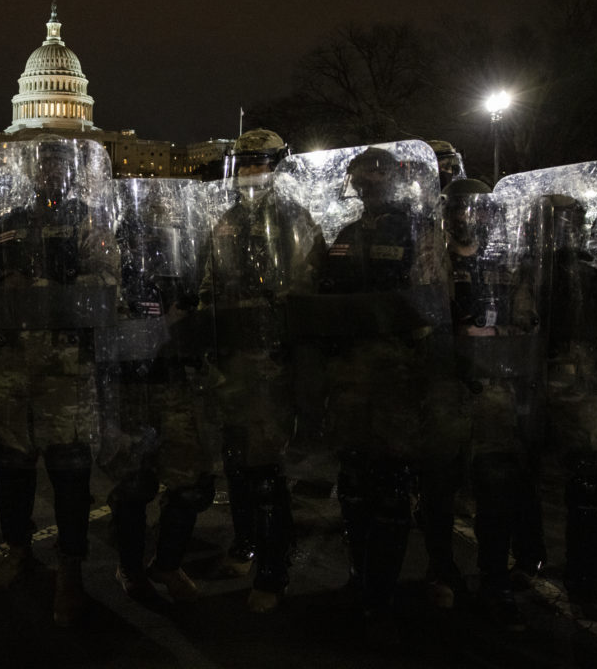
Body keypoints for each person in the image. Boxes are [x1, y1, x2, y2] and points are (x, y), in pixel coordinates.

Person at [0, 137, 118, 626]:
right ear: (32, 173)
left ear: (69, 173)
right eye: (43, 165)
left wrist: (48, 290)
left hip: (62, 365)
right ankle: (17, 550)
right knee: (11, 465)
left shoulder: (86, 219)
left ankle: (69, 569)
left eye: (58, 165)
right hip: (11, 365)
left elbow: (105, 282)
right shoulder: (8, 224)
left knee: (70, 469)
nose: (49, 173)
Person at [308, 144, 450, 633]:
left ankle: (381, 590)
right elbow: (325, 296)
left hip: (396, 375)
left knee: (390, 481)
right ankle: (359, 574)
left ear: (392, 179)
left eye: (375, 177)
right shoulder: (346, 234)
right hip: (351, 373)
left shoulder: (417, 230)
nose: (367, 186)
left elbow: (430, 303)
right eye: (360, 178)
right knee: (354, 478)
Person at [198, 129, 324, 612]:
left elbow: (302, 289)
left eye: (260, 163)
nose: (251, 172)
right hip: (232, 359)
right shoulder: (227, 221)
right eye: (244, 163)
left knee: (266, 467)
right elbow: (210, 280)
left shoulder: (293, 219)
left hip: (271, 359)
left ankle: (274, 567)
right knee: (237, 461)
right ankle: (247, 542)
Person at [99, 177, 214, 604]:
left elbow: (204, 304)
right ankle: (130, 568)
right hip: (131, 383)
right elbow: (107, 318)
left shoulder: (187, 254)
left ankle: (167, 562)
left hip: (176, 380)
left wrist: (188, 315)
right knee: (132, 484)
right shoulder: (113, 256)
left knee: (190, 484)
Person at [443, 177, 541, 630]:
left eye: (473, 209)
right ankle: (440, 573)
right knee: (439, 489)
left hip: (491, 391)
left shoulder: (503, 262)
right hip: (441, 388)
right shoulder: (431, 258)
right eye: (457, 208)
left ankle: (494, 580)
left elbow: (527, 321)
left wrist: (493, 335)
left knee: (496, 487)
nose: (465, 217)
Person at [538, 173, 597, 622]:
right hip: (548, 378)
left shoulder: (583, 273)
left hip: (576, 380)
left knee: (583, 480)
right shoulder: (538, 270)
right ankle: (559, 571)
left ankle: (578, 577)